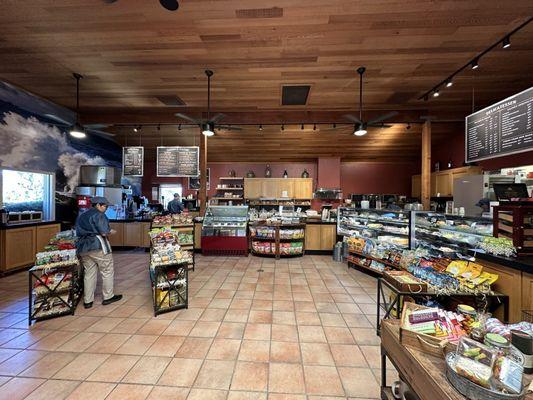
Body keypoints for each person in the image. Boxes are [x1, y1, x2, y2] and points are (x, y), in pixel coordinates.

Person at [75, 196, 122, 309]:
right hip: (97, 245)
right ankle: (108, 296)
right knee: (107, 270)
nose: (106, 209)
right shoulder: (99, 215)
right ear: (98, 205)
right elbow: (104, 232)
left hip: (83, 247)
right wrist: (112, 231)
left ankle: (88, 300)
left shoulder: (82, 215)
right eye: (105, 206)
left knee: (89, 273)